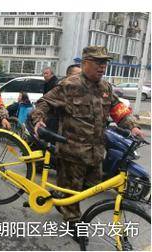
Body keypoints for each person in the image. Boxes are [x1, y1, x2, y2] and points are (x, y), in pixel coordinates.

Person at [30, 46, 144, 238]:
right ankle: (73, 222)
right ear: (85, 64)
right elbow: (45, 102)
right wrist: (38, 119)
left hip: (96, 150)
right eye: (98, 63)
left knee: (92, 185)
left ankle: (63, 199)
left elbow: (117, 108)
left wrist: (132, 126)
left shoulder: (105, 87)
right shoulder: (70, 85)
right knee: (73, 189)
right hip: (72, 150)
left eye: (105, 63)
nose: (102, 67)